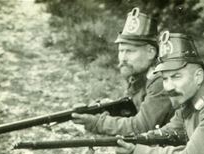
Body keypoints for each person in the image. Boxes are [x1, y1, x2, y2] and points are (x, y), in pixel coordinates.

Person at [116, 31, 204, 154]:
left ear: (198, 76)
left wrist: (136, 151)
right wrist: (139, 139)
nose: (168, 87)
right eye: (165, 79)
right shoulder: (190, 95)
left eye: (176, 77)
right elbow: (173, 130)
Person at [71, 8, 173, 136]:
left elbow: (140, 127)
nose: (123, 58)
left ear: (150, 52)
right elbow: (133, 111)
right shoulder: (138, 76)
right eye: (121, 51)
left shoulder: (161, 80)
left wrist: (98, 122)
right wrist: (97, 112)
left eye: (130, 51)